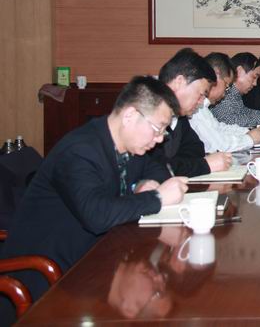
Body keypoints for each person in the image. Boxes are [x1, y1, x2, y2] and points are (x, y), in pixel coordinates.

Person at [0, 76, 190, 306]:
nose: (159, 139)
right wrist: (157, 198)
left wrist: (144, 182)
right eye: (157, 129)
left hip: (94, 264)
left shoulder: (129, 145)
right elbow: (96, 215)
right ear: (130, 116)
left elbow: (158, 171)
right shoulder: (79, 151)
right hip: (44, 279)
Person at [149, 48, 232, 177]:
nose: (201, 102)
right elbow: (154, 167)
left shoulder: (180, 116)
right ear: (179, 82)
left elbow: (196, 149)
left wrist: (179, 164)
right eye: (201, 94)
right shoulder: (147, 110)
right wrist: (204, 165)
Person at [190, 53, 260, 153]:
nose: (226, 92)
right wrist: (250, 138)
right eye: (226, 85)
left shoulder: (203, 107)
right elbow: (219, 144)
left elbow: (219, 128)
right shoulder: (195, 108)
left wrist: (258, 131)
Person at [211, 52, 260, 127]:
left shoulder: (235, 93)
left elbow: (244, 112)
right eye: (254, 77)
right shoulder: (225, 91)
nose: (255, 83)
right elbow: (228, 120)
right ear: (240, 71)